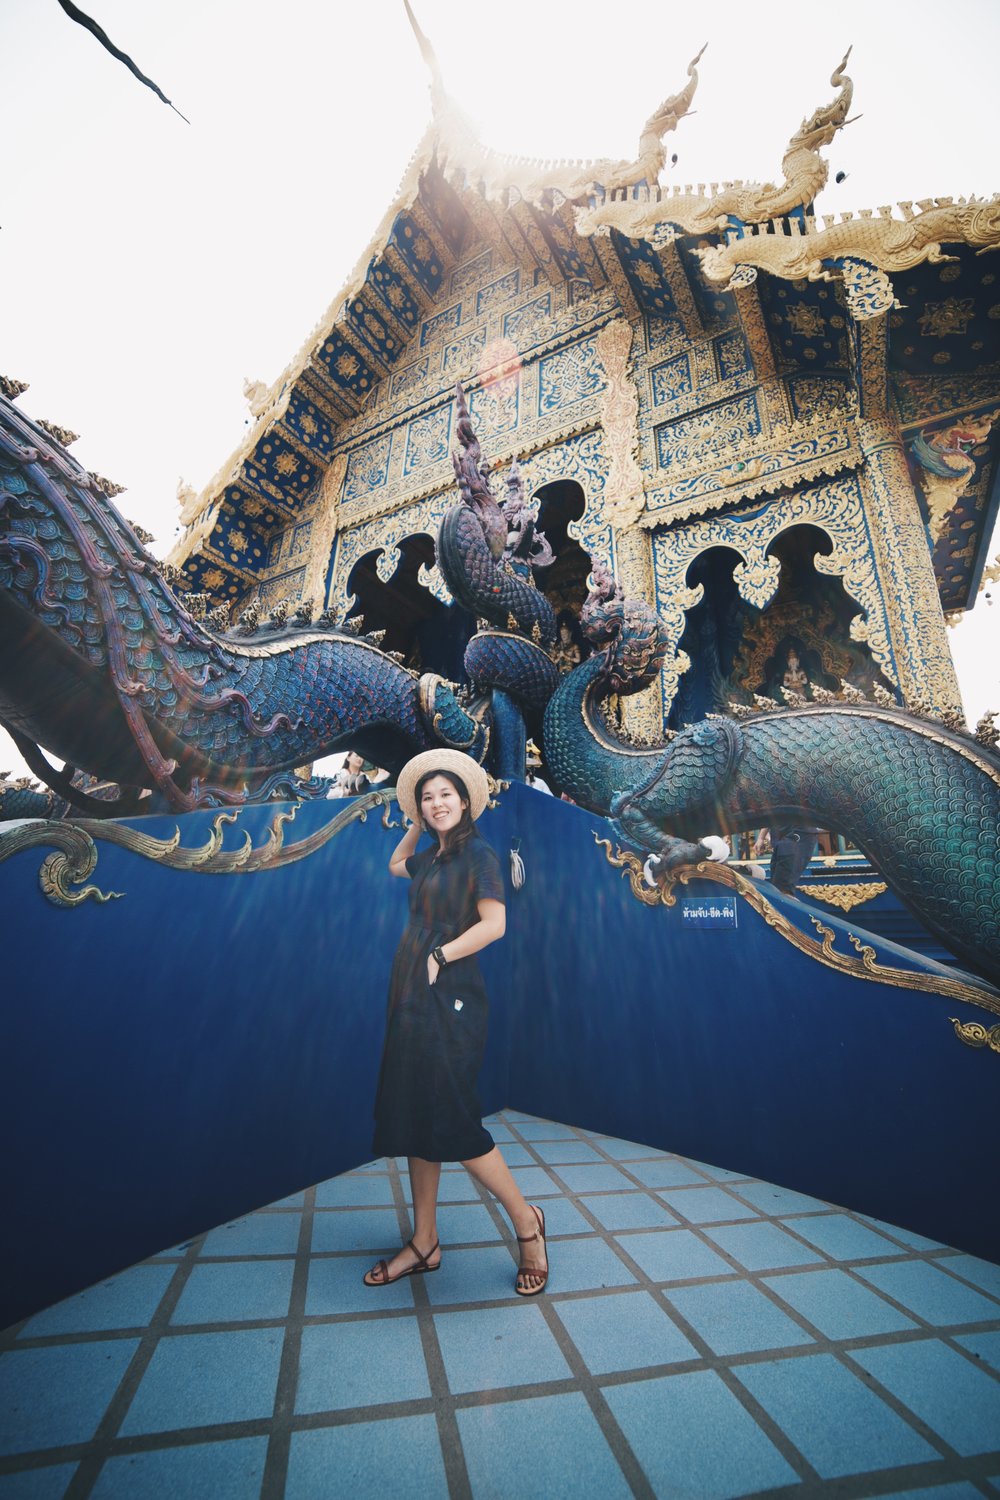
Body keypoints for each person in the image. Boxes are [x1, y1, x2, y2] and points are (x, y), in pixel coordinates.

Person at [364, 749, 549, 1296]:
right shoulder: (433, 856)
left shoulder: (479, 855)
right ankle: (425, 1242)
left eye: (446, 794)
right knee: (416, 1112)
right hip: (412, 990)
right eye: (427, 798)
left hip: (452, 993)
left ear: (466, 802)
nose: (437, 803)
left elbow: (495, 924)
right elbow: (395, 865)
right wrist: (414, 824)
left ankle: (527, 1223)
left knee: (452, 1116)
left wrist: (440, 956)